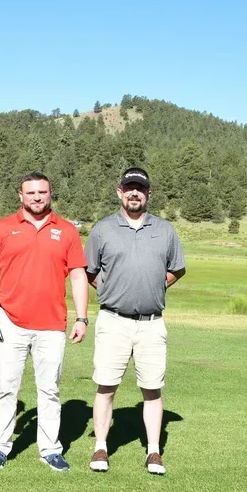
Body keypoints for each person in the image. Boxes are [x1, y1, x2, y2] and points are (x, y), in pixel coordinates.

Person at [0, 172, 88, 472]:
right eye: (31, 192)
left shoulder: (66, 231)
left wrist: (82, 317)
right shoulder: (3, 228)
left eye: (42, 192)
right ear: (20, 195)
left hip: (52, 325)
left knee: (50, 390)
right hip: (10, 322)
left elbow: (78, 276)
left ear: (51, 194)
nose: (37, 197)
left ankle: (50, 449)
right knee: (5, 387)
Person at [85, 167, 186, 475]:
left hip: (152, 323)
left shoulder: (165, 230)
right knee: (106, 386)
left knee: (152, 389)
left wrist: (156, 286)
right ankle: (100, 447)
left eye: (139, 189)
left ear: (148, 194)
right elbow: (89, 272)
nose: (134, 193)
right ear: (119, 192)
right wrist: (110, 290)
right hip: (113, 320)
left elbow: (177, 269)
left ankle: (153, 452)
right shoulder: (103, 229)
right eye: (129, 187)